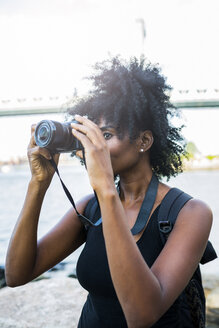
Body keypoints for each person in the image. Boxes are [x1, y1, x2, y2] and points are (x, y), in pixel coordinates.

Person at [5, 57, 213, 328]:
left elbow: (142, 315)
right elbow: (17, 273)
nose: (95, 146)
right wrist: (38, 184)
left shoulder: (190, 213)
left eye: (106, 134)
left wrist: (105, 189)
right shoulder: (90, 209)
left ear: (144, 141)